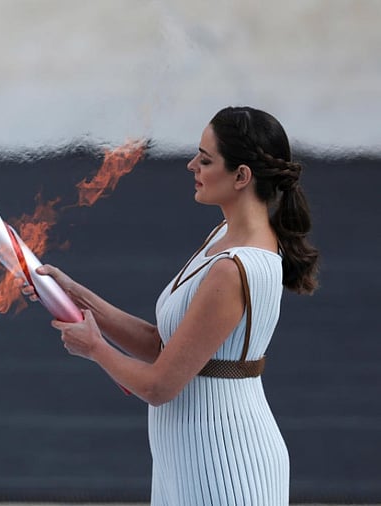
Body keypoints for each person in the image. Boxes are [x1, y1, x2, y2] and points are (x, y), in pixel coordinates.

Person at [25, 106, 319, 505]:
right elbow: (163, 344)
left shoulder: (233, 268)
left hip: (225, 461)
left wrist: (95, 349)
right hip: (188, 457)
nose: (191, 164)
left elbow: (159, 385)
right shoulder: (223, 239)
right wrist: (78, 297)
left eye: (205, 158)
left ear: (241, 176)